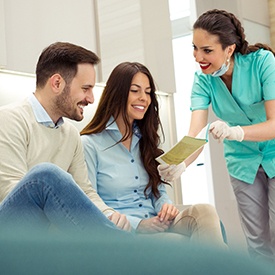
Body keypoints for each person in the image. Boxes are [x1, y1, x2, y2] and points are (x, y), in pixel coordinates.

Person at [158, 9, 275, 263]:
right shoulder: (203, 80)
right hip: (242, 164)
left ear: (229, 49)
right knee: (257, 242)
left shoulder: (263, 62)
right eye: (194, 48)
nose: (198, 57)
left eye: (207, 50)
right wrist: (181, 164)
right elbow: (196, 134)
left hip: (274, 153)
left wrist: (236, 131)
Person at [80, 61, 227, 249]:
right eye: (135, 90)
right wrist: (139, 225)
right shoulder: (89, 144)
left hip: (158, 223)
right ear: (117, 93)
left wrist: (165, 206)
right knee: (180, 244)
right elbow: (90, 205)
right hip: (124, 233)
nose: (144, 98)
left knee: (205, 211)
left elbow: (158, 192)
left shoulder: (146, 140)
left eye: (148, 92)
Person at [0, 42, 131, 235]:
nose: (91, 98)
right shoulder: (10, 119)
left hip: (46, 237)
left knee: (48, 177)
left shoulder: (71, 134)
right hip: (9, 232)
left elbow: (85, 191)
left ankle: (115, 245)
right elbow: (11, 193)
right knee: (44, 176)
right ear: (57, 83)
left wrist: (108, 215)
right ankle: (120, 251)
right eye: (86, 88)